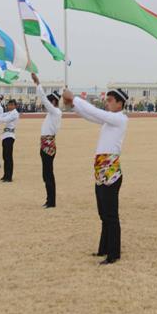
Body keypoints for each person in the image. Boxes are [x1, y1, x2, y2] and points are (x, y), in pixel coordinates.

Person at [61, 87, 128, 264]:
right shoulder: (109, 121)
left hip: (110, 171)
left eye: (110, 100)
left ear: (120, 103)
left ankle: (113, 254)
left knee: (111, 214)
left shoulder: (120, 119)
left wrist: (74, 98)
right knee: (103, 213)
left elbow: (97, 112)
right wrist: (73, 106)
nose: (107, 103)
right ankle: (103, 249)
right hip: (102, 169)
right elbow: (91, 116)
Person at [31, 72, 62, 208]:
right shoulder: (51, 114)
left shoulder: (55, 112)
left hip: (48, 144)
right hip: (45, 144)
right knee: (46, 174)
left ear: (54, 102)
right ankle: (49, 199)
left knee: (48, 174)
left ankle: (51, 201)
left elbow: (43, 98)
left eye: (50, 101)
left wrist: (38, 83)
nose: (47, 103)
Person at [0, 99, 19, 182]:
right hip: (5, 135)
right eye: (9, 105)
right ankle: (5, 175)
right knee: (5, 156)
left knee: (8, 157)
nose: (9, 106)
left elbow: (4, 120)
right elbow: (1, 116)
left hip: (10, 136)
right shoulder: (9, 112)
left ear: (15, 106)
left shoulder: (14, 113)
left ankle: (9, 176)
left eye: (11, 105)